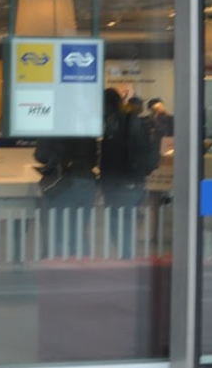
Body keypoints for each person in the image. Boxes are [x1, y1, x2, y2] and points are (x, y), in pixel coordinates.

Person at [100, 87, 155, 259]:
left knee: (118, 228)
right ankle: (128, 259)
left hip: (118, 185)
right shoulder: (136, 121)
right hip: (136, 183)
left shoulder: (112, 124)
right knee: (127, 227)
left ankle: (127, 261)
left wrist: (104, 182)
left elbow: (110, 157)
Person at [33, 134, 98, 258]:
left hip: (60, 183)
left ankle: (61, 263)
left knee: (59, 231)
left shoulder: (52, 128)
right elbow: (93, 158)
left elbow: (41, 155)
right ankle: (81, 262)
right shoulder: (85, 126)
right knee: (79, 230)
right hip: (84, 180)